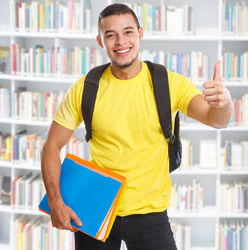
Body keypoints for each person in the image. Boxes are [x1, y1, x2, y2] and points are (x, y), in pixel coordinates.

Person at [40, 3, 233, 250]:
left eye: (128, 32)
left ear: (140, 34)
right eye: (111, 35)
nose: (121, 41)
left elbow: (217, 119)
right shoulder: (86, 87)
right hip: (95, 208)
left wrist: (224, 102)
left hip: (150, 214)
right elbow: (51, 145)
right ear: (100, 41)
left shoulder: (168, 83)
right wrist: (56, 202)